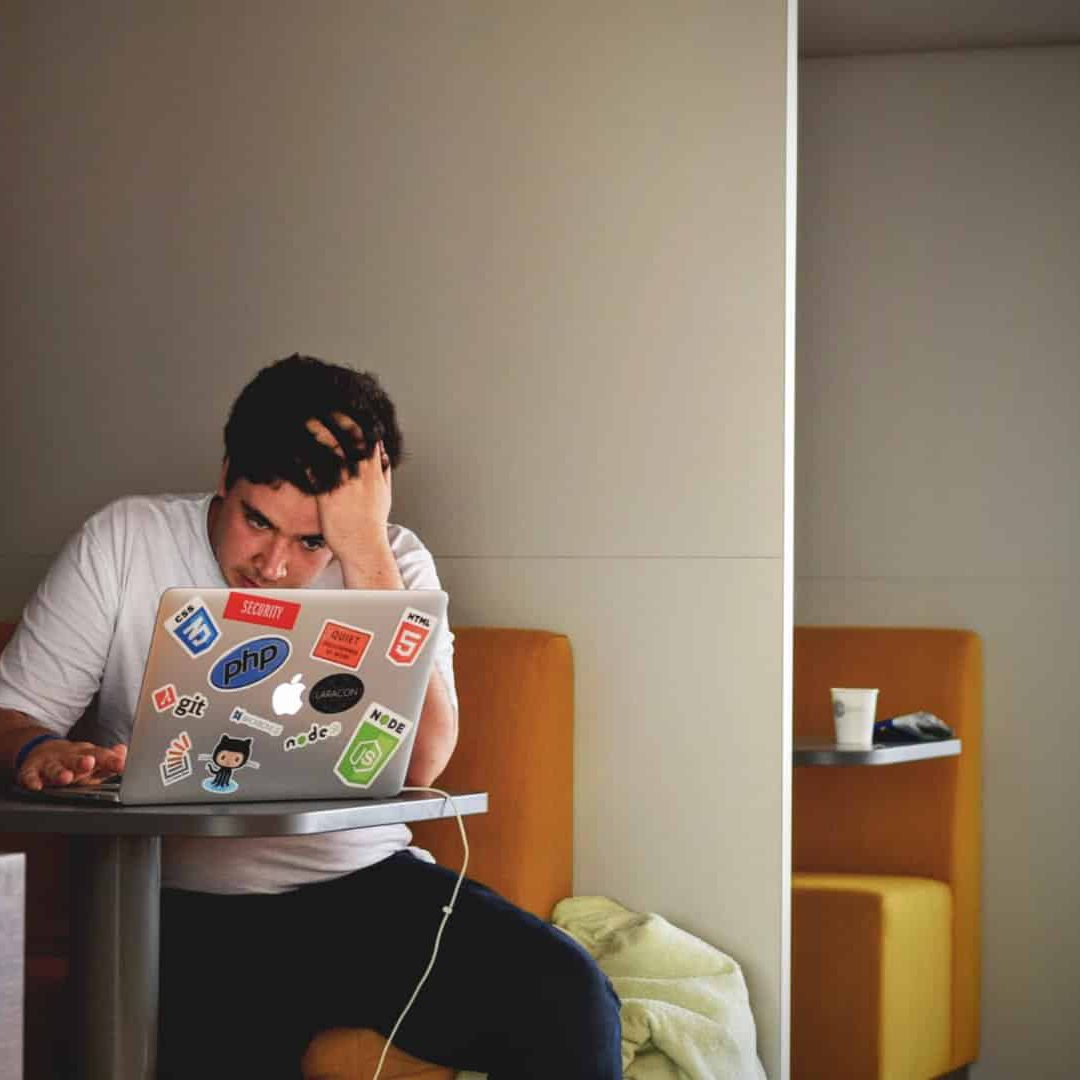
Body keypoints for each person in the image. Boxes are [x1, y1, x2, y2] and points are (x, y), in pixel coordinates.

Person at [0, 354, 622, 1079]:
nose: (273, 564)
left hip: (363, 891)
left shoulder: (393, 563)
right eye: (255, 522)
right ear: (226, 473)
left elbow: (423, 762)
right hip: (177, 907)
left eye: (310, 541)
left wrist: (363, 550)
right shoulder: (125, 540)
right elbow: (13, 713)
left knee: (569, 997)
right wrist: (37, 750)